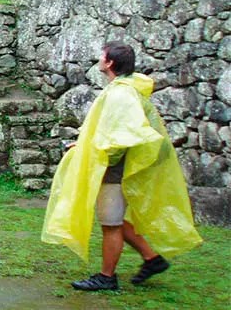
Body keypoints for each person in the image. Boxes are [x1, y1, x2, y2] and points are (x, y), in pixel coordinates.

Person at [42, 41, 202, 291]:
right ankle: (151, 259)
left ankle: (107, 277)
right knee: (114, 220)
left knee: (110, 224)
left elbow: (118, 139)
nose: (99, 59)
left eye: (102, 56)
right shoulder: (126, 90)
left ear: (110, 63)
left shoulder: (120, 94)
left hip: (112, 169)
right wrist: (83, 145)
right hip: (118, 165)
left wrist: (92, 154)